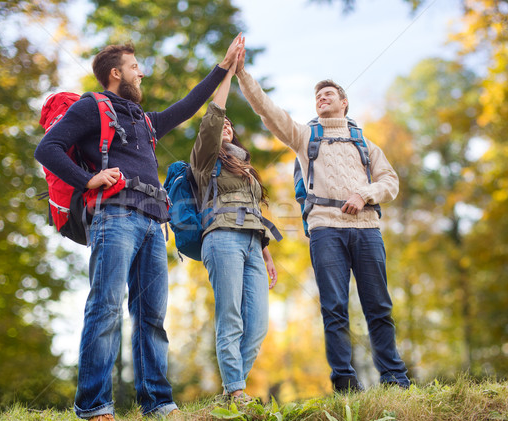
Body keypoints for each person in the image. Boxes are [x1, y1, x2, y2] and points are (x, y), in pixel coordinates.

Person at [34, 35, 244, 420]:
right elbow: (46, 148)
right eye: (135, 67)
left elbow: (188, 105)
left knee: (151, 316)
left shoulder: (145, 121)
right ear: (116, 74)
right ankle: (95, 406)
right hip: (114, 217)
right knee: (106, 307)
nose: (141, 72)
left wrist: (224, 66)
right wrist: (89, 180)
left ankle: (158, 403)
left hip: (152, 223)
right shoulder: (91, 107)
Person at [234, 44, 409, 392]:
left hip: (368, 229)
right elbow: (268, 111)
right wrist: (241, 74)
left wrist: (365, 194)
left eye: (328, 94)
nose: (321, 99)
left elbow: (391, 181)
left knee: (379, 306)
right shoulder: (304, 136)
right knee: (334, 308)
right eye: (317, 96)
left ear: (344, 102)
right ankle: (344, 382)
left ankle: (395, 378)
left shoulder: (365, 144)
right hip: (325, 229)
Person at [189, 49, 277, 402]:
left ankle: (229, 391)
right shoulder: (205, 159)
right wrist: (228, 73)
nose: (225, 125)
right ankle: (237, 391)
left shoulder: (246, 167)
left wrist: (267, 253)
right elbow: (213, 115)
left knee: (256, 326)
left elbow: (255, 209)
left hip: (254, 243)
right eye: (221, 124)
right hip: (221, 238)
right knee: (231, 317)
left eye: (230, 125)